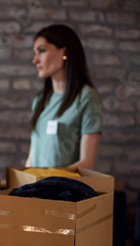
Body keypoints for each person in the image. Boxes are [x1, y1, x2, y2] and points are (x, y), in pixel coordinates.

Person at [25, 24, 103, 169]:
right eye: (35, 53)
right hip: (37, 190)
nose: (35, 60)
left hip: (65, 190)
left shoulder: (87, 98)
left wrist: (48, 179)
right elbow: (32, 158)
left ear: (64, 52)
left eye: (41, 51)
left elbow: (87, 163)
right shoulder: (40, 100)